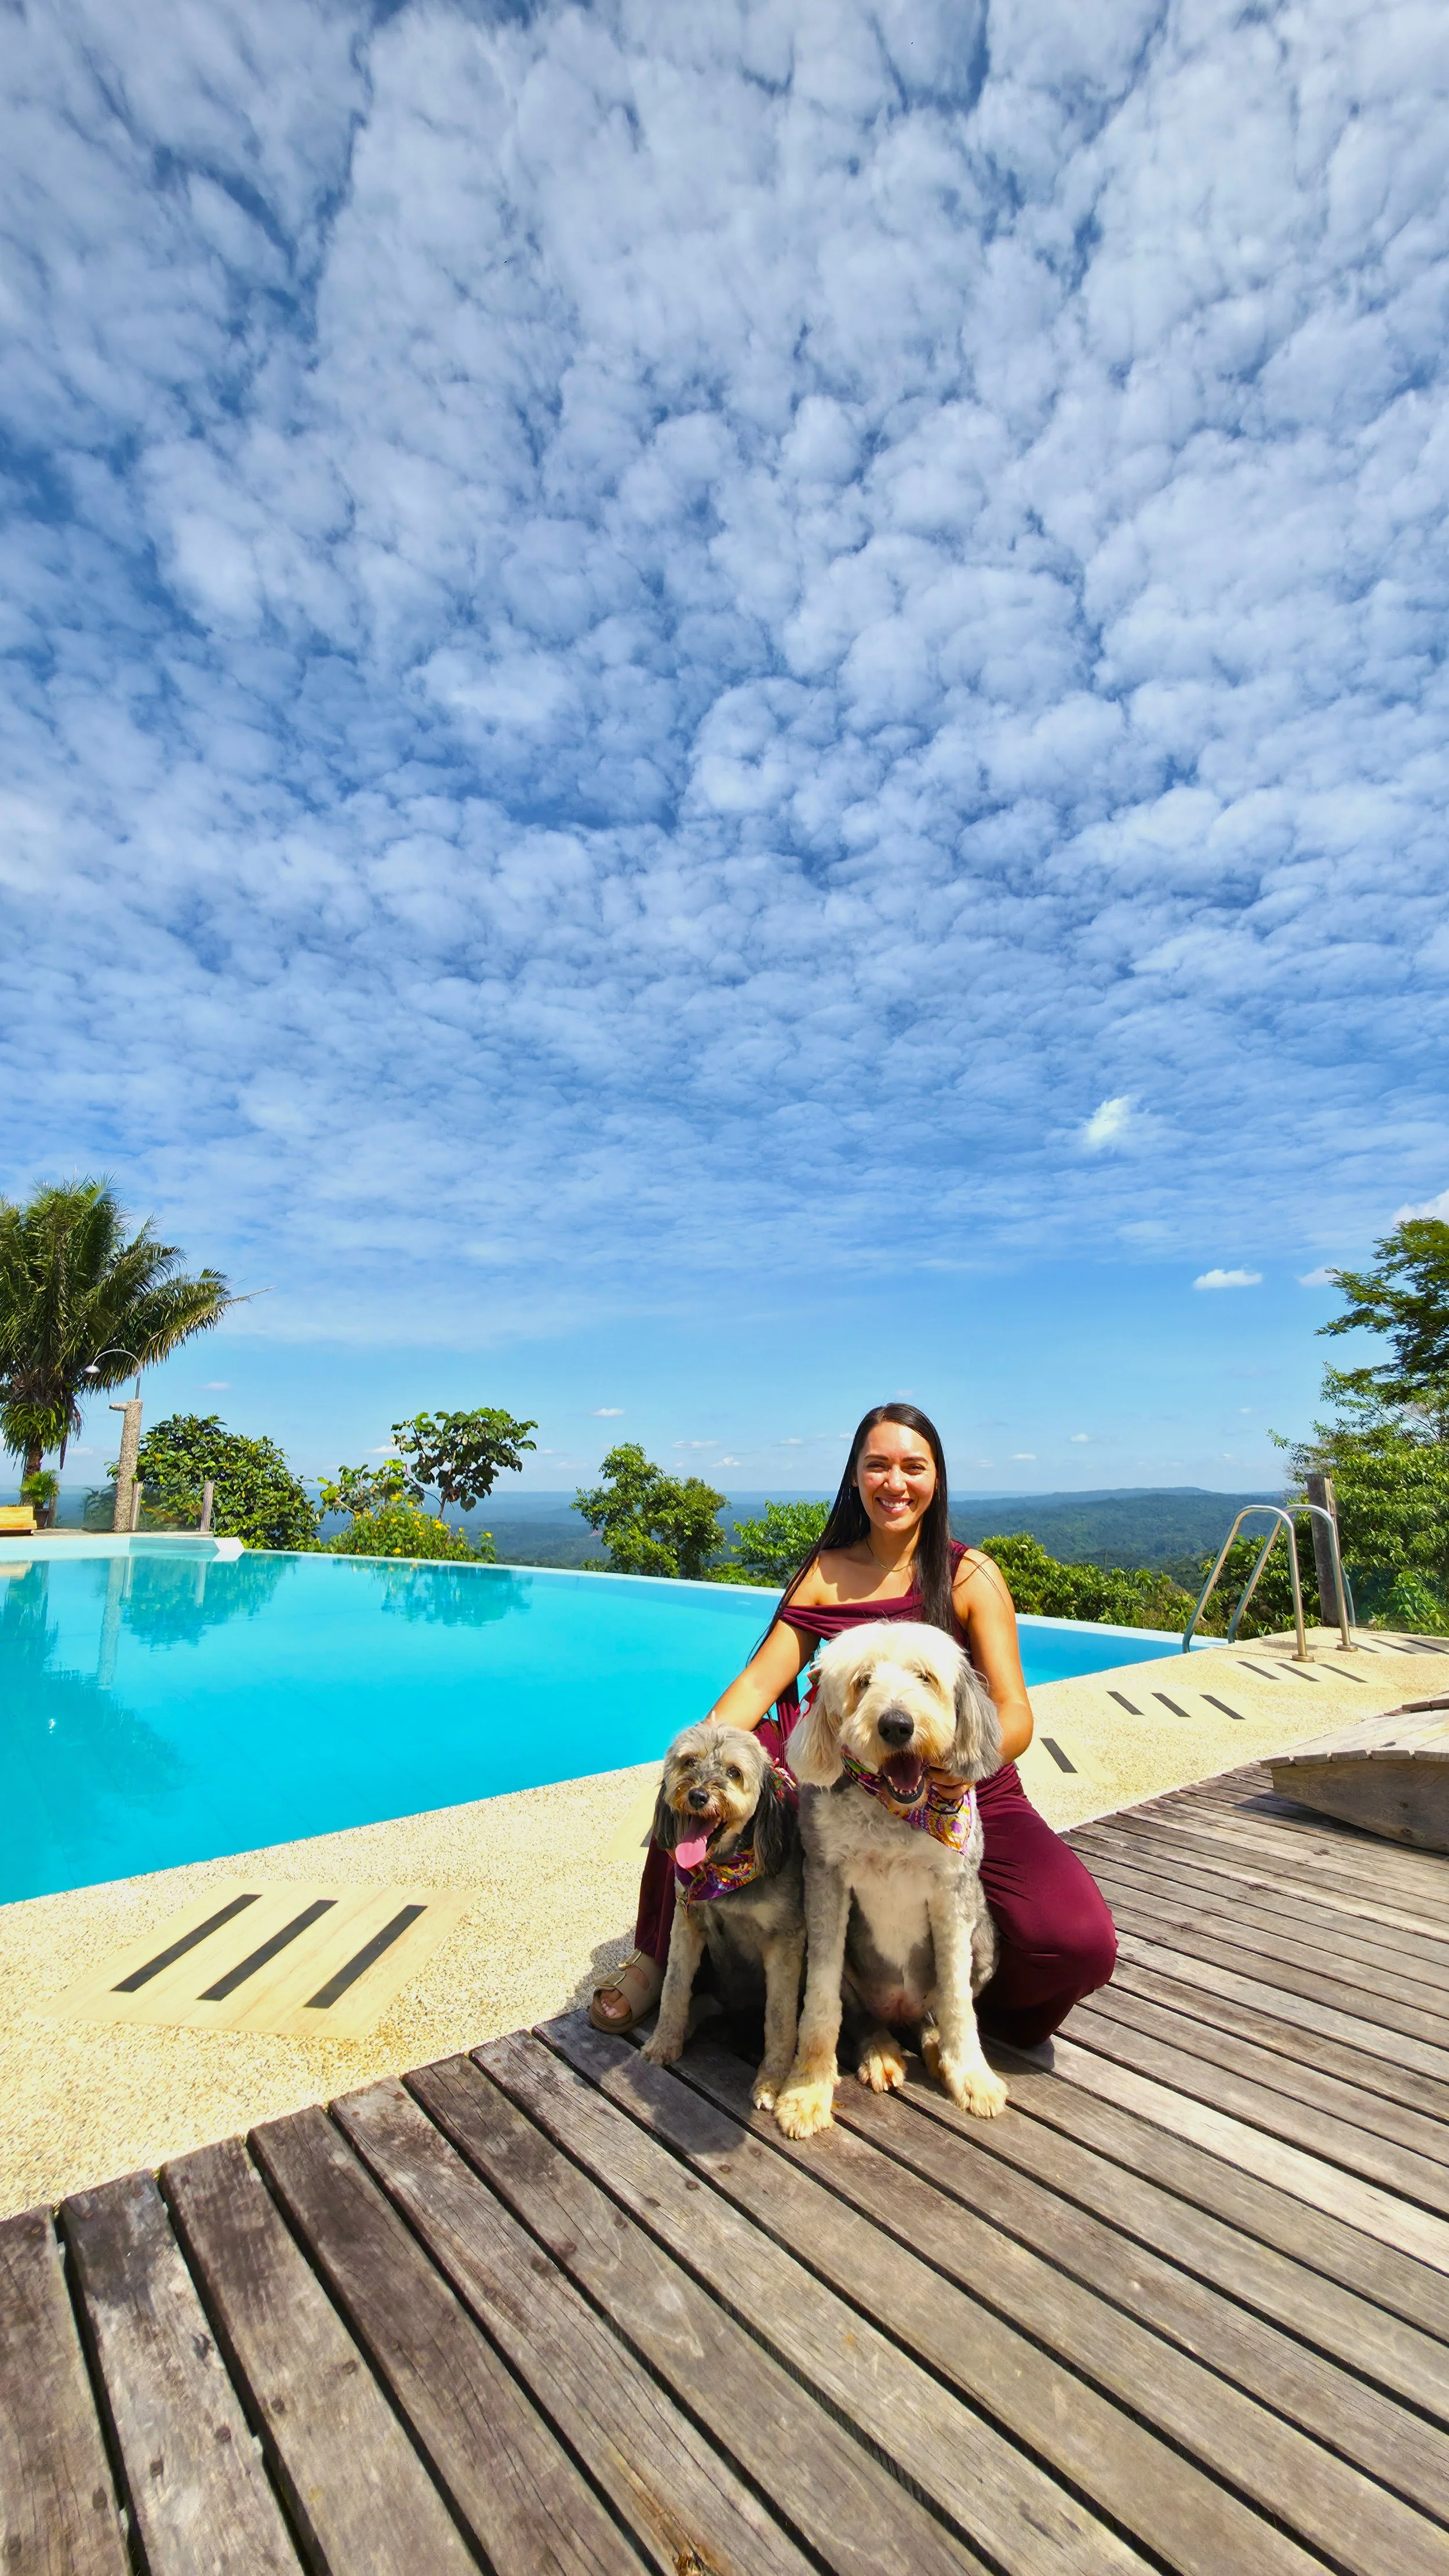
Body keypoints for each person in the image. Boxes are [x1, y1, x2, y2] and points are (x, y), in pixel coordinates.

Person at [591, 1401, 1117, 2052]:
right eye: (877, 1466)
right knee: (693, 1802)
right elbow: (761, 1681)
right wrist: (699, 1758)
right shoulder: (826, 1572)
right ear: (855, 1478)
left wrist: (960, 1768)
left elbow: (1014, 1711)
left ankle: (937, 2012)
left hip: (959, 1789)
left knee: (1076, 1944)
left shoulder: (970, 1574)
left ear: (937, 1478)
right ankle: (655, 1956)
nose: (894, 1483)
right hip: (845, 1783)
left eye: (912, 1467)